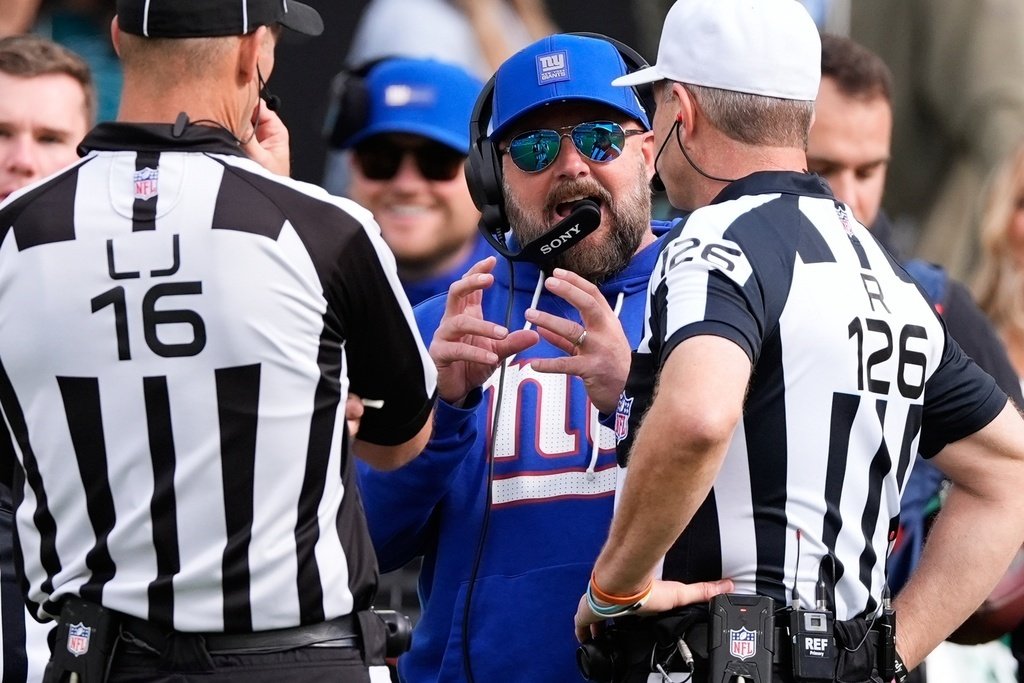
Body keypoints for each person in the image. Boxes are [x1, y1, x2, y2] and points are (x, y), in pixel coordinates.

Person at [574, 1, 1024, 681]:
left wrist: (614, 587)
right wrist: (895, 653)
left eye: (658, 108)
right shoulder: (882, 270)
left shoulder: (713, 238)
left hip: (721, 660)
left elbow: (700, 416)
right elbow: (1009, 472)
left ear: (682, 111)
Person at [0, 1, 438, 681]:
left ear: (118, 38)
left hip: (94, 655)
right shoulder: (324, 230)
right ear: (253, 52)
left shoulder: (10, 236)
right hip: (293, 659)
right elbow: (399, 440)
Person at [356, 32, 709, 682]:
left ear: (648, 151)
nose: (572, 165)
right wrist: (447, 410)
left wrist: (635, 388)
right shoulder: (449, 323)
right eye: (537, 148)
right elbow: (365, 546)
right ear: (493, 182)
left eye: (600, 139)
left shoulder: (712, 305)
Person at [808, 32, 1024, 683]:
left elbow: (1012, 481)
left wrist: (893, 651)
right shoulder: (714, 281)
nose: (850, 195)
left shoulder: (933, 304)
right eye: (824, 166)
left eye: (869, 170)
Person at [0, 32, 95, 683]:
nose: (22, 161)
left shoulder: (139, 305)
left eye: (51, 139)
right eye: (1, 132)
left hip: (90, 644)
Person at [337, 57, 493, 306]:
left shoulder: (536, 296)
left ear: (486, 175)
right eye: (381, 160)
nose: (406, 185)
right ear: (352, 166)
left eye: (437, 162)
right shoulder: (308, 289)